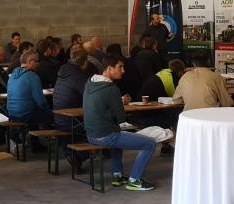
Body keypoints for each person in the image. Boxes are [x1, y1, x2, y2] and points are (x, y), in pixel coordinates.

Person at [83, 55, 157, 191]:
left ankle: (117, 175)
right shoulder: (112, 89)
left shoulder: (90, 83)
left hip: (91, 135)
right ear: (109, 69)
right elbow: (121, 118)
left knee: (119, 135)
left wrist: (116, 102)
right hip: (106, 135)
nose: (123, 70)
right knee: (150, 144)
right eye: (120, 67)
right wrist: (121, 102)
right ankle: (134, 180)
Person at [53, 46, 95, 172]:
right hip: (71, 122)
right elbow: (91, 96)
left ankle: (71, 153)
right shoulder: (79, 76)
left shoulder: (63, 71)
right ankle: (80, 155)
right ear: (85, 62)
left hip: (58, 119)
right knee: (102, 127)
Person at [6, 51, 53, 151]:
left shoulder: (12, 75)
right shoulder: (32, 76)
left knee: (34, 111)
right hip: (25, 115)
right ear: (30, 61)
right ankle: (57, 142)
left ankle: (35, 143)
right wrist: (48, 108)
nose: (38, 64)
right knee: (54, 115)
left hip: (11, 113)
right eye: (36, 61)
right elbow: (40, 101)